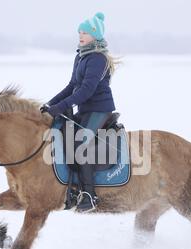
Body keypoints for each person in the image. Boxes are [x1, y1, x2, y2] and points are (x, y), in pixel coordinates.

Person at [40, 12, 119, 212]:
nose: (81, 36)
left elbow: (86, 90)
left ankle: (89, 195)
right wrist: (50, 104)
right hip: (85, 110)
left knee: (79, 144)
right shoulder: (81, 55)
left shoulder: (98, 58)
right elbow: (71, 86)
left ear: (96, 35)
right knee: (61, 133)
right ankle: (72, 188)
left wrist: (59, 108)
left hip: (100, 110)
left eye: (85, 32)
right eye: (79, 32)